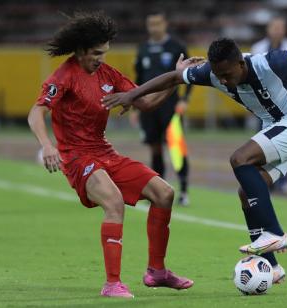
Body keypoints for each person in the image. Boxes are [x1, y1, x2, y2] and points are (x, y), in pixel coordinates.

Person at [102, 8, 287, 285]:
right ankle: (273, 266)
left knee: (240, 159)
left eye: (229, 74)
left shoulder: (270, 62)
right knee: (247, 191)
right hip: (278, 127)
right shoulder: (213, 73)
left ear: (241, 63)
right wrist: (133, 95)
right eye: (220, 76)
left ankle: (275, 234)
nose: (225, 81)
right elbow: (173, 77)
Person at [27, 12, 200, 298]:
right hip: (77, 158)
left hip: (104, 152)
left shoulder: (108, 75)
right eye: (96, 53)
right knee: (114, 203)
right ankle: (112, 283)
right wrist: (47, 145)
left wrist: (176, 78)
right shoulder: (64, 76)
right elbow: (37, 112)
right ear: (81, 50)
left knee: (164, 194)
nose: (101, 58)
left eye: (104, 53)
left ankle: (157, 271)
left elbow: (145, 101)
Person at [133, 11, 193, 206]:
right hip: (149, 107)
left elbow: (190, 73)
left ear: (165, 24)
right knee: (155, 148)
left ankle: (183, 191)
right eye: (151, 24)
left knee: (176, 148)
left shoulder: (176, 46)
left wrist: (184, 99)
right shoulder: (142, 49)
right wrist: (135, 107)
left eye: (158, 23)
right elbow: (138, 80)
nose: (154, 27)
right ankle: (160, 190)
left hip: (171, 106)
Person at [251, 16, 287, 195]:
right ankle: (265, 180)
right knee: (262, 145)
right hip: (264, 106)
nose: (277, 30)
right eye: (274, 27)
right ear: (268, 29)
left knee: (286, 145)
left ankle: (283, 182)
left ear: (285, 29)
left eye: (281, 27)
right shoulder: (257, 49)